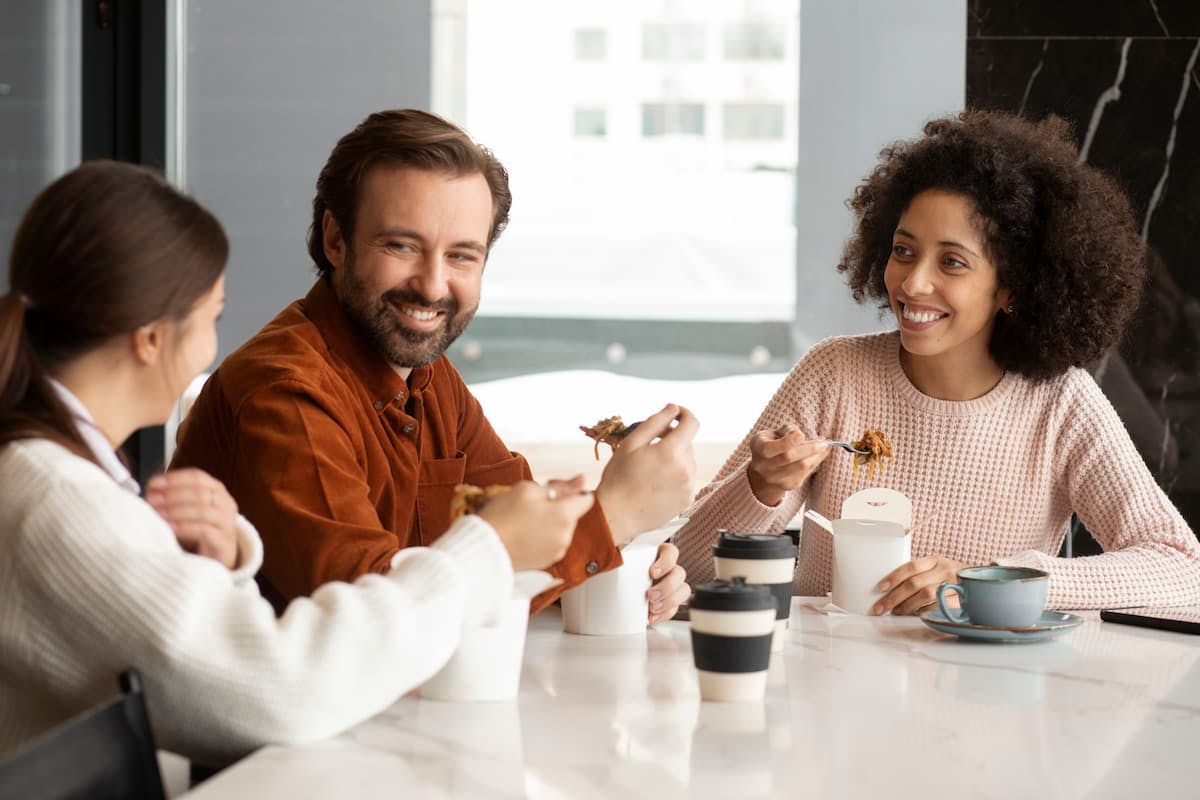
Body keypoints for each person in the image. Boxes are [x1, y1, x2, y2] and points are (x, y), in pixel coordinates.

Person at [0, 160, 595, 764]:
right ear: (152, 338)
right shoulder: (55, 502)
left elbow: (164, 657)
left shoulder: (55, 480)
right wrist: (487, 552)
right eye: (214, 318)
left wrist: (219, 564)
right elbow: (281, 692)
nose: (215, 348)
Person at [171, 109, 696, 622]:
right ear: (335, 239)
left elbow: (519, 536)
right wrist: (612, 514)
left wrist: (626, 558)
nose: (432, 285)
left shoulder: (426, 374)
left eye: (462, 256)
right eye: (401, 246)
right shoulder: (283, 392)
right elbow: (371, 616)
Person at [673, 109, 1200, 615]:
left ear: (1011, 288)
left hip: (988, 694)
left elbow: (1180, 567)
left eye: (952, 261)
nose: (912, 282)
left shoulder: (1059, 403)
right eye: (903, 251)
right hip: (827, 689)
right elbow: (687, 569)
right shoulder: (833, 374)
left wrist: (988, 581)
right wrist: (762, 488)